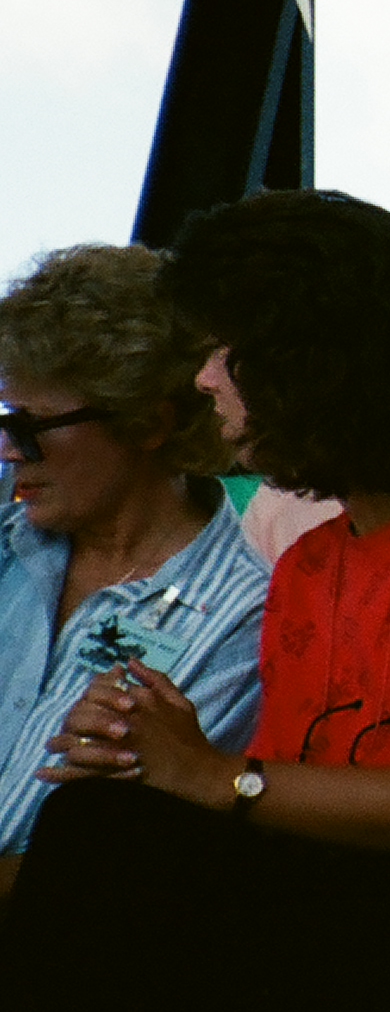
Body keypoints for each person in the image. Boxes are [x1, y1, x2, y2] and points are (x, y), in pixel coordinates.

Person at [0, 190, 390, 1012]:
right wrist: (152, 745)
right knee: (103, 823)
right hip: (306, 964)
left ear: (305, 357)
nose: (205, 380)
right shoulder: (310, 567)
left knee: (107, 831)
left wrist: (212, 777)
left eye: (224, 351)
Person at [0, 244, 267, 901]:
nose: (9, 451)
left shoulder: (241, 621)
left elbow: (94, 868)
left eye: (30, 428)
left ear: (149, 422)